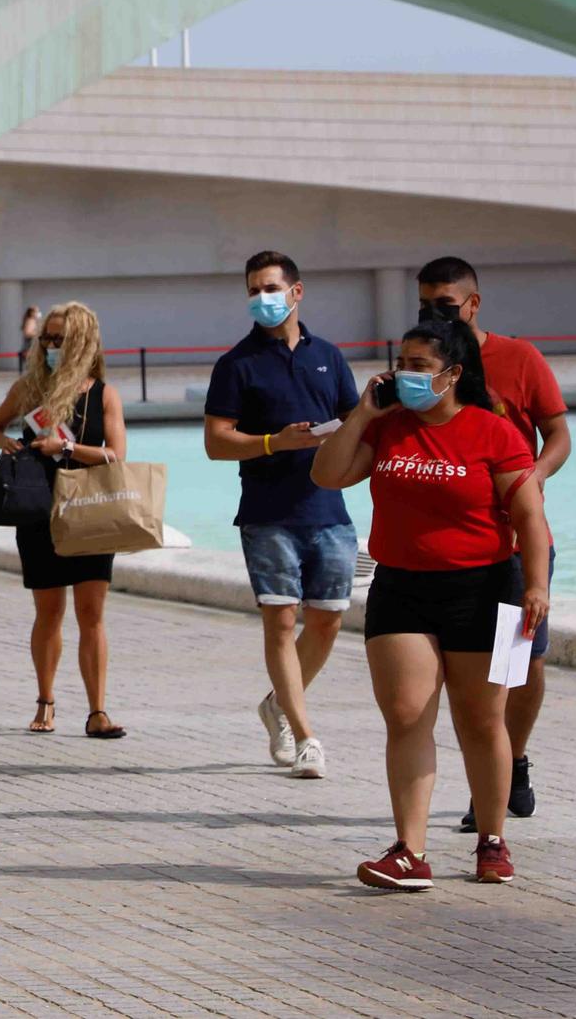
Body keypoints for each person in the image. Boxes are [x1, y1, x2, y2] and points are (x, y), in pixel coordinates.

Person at [311, 318, 549, 891]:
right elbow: (327, 474)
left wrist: (537, 586)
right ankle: (409, 851)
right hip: (401, 588)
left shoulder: (493, 433)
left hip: (487, 588)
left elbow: (530, 519)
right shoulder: (389, 428)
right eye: (402, 363)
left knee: (481, 719)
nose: (405, 374)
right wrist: (364, 413)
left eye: (419, 366)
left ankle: (492, 840)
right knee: (407, 715)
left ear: (453, 374)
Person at [416, 256, 572, 832]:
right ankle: (491, 792)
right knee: (482, 682)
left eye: (446, 306)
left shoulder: (520, 358)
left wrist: (534, 475)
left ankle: (515, 763)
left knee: (520, 668)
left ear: (473, 305)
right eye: (426, 305)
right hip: (448, 557)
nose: (435, 315)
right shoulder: (422, 367)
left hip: (512, 548)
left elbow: (558, 433)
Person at [202, 251, 359, 780]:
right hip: (267, 514)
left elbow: (355, 424)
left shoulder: (330, 357)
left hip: (329, 510)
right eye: (253, 289)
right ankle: (304, 733)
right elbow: (216, 443)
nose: (261, 298)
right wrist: (275, 442)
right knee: (281, 620)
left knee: (328, 620)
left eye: (270, 287)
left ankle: (276, 705)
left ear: (296, 292)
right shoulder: (236, 364)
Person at [0, 302, 130, 738]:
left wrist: (65, 449)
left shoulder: (103, 393)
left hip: (89, 509)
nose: (50, 346)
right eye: (45, 338)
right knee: (48, 611)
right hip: (39, 508)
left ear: (82, 342)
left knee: (91, 613)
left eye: (59, 339)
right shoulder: (29, 389)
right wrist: (8, 444)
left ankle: (97, 710)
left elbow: (116, 454)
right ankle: (45, 701)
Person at [18, 305, 41, 373]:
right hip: (29, 346)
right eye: (36, 311)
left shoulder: (32, 321)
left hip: (31, 346)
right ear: (32, 313)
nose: (38, 313)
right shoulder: (30, 321)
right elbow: (27, 333)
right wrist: (38, 333)